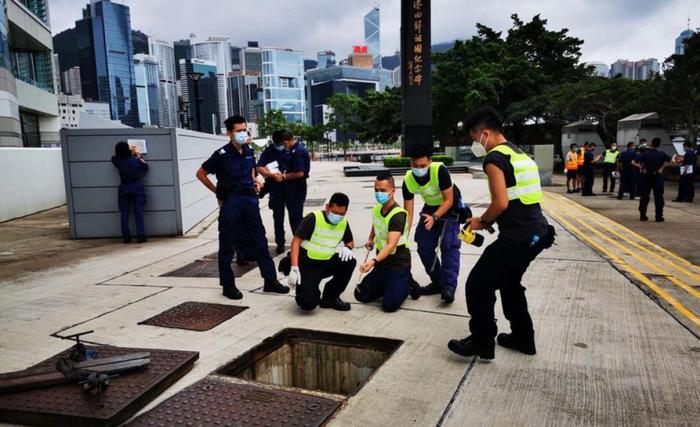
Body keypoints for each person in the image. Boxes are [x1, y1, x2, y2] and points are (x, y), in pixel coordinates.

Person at [448, 107, 555, 360]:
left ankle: (482, 342)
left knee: (477, 285)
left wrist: (480, 222)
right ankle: (523, 338)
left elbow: (501, 203)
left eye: (474, 138)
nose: (475, 144)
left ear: (485, 133)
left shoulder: (494, 159)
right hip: (537, 232)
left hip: (518, 237)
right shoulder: (519, 153)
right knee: (509, 284)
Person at [196, 115, 289, 300]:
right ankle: (228, 285)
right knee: (228, 244)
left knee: (260, 242)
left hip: (250, 201)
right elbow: (201, 174)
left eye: (244, 129)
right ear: (229, 133)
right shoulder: (221, 154)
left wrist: (256, 181)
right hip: (231, 201)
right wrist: (217, 193)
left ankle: (270, 281)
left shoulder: (248, 151)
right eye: (238, 130)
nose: (242, 133)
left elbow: (252, 170)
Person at [403, 144, 460, 303]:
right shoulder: (408, 179)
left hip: (450, 208)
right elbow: (408, 211)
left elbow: (449, 200)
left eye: (422, 166)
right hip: (430, 208)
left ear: (429, 162)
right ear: (410, 163)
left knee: (449, 245)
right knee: (424, 245)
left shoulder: (439, 170)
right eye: (415, 165)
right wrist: (402, 235)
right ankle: (438, 282)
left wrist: (435, 217)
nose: (418, 168)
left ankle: (448, 286)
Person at [287, 193, 356, 311]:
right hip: (308, 264)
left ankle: (330, 297)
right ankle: (305, 287)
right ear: (327, 207)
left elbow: (350, 242)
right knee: (308, 303)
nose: (338, 216)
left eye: (341, 214)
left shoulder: (343, 222)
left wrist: (348, 248)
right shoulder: (313, 218)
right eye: (335, 212)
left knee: (349, 261)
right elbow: (296, 242)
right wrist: (294, 267)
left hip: (326, 262)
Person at [355, 173, 412, 312]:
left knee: (389, 305)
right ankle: (389, 283)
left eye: (383, 190)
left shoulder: (398, 215)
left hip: (397, 262)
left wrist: (373, 261)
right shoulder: (377, 208)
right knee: (361, 294)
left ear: (392, 191)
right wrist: (370, 239)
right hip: (382, 263)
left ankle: (408, 284)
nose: (378, 193)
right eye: (376, 190)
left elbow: (391, 245)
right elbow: (376, 223)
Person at [256, 132, 291, 254]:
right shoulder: (269, 151)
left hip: (291, 187)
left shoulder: (291, 148)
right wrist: (271, 174)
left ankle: (299, 241)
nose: (282, 145)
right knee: (278, 217)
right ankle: (280, 243)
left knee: (295, 217)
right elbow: (259, 167)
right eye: (279, 143)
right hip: (276, 188)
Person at [111, 141, 148, 244]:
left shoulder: (117, 161)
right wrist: (137, 154)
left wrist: (127, 152)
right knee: (138, 213)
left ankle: (126, 237)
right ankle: (141, 236)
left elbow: (114, 158)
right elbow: (145, 167)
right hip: (136, 187)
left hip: (124, 187)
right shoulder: (134, 160)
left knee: (124, 213)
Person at [632, 137, 673, 222]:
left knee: (644, 196)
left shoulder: (646, 154)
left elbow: (633, 162)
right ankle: (658, 216)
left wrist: (642, 167)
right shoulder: (662, 154)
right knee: (658, 197)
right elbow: (672, 161)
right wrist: (662, 167)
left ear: (651, 144)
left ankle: (643, 215)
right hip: (657, 177)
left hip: (646, 177)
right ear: (659, 144)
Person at [280, 130, 311, 238]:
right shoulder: (295, 149)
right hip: (293, 188)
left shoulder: (298, 151)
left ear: (285, 142)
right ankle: (299, 244)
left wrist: (284, 176)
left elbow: (300, 173)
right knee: (295, 217)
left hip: (296, 188)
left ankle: (300, 245)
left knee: (295, 217)